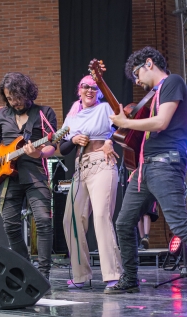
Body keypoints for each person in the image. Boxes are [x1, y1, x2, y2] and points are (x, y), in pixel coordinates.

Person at [105, 46, 187, 294]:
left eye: (137, 74)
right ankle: (130, 279)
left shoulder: (173, 81)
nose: (138, 81)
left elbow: (161, 123)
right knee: (123, 223)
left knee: (181, 225)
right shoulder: (155, 94)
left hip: (165, 165)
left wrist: (126, 122)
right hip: (145, 169)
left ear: (149, 63)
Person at [0, 72, 57, 282]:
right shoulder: (2, 115)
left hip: (35, 174)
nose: (13, 102)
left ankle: (43, 274)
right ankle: (26, 269)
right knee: (9, 224)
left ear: (27, 92)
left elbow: (53, 145)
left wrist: (40, 153)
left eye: (16, 97)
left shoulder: (44, 113)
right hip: (8, 177)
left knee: (43, 221)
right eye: (9, 98)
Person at [59, 74, 123, 293]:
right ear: (79, 90)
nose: (89, 90)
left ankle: (113, 275)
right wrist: (73, 139)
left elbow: (123, 126)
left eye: (94, 88)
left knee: (101, 217)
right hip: (80, 168)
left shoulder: (105, 108)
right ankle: (80, 274)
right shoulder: (73, 117)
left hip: (101, 163)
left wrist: (108, 141)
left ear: (99, 92)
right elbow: (62, 147)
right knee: (71, 220)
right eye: (85, 87)